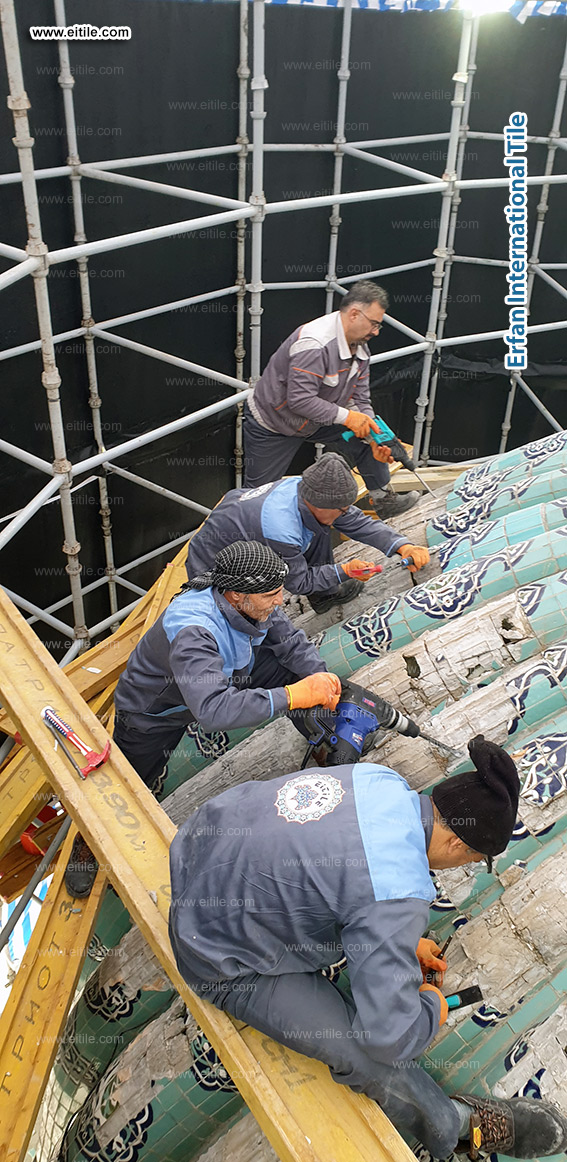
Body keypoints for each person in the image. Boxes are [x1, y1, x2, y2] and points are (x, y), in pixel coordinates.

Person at [169, 737, 567, 1161]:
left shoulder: (381, 780)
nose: (461, 867)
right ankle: (456, 1125)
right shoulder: (398, 895)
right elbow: (386, 1040)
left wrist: (398, 938)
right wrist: (431, 1008)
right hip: (214, 956)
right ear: (457, 846)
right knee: (364, 1053)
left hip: (194, 857)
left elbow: (342, 869)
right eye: (470, 860)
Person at [65, 541, 341, 899]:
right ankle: (86, 847)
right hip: (155, 710)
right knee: (126, 778)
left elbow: (290, 642)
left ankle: (327, 736)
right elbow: (213, 711)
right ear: (238, 595)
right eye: (273, 594)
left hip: (229, 672)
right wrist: (293, 696)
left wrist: (323, 683)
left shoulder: (254, 600)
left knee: (289, 671)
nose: (281, 600)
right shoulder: (194, 630)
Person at [243, 279, 420, 520]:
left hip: (319, 418)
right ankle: (247, 534)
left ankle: (383, 498)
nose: (376, 332)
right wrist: (348, 418)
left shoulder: (360, 349)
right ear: (355, 314)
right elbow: (300, 400)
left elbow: (360, 398)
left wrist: (373, 433)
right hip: (274, 422)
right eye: (374, 324)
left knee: (372, 435)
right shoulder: (314, 344)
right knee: (258, 494)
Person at [186, 452, 429, 615]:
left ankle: (324, 596)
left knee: (318, 529)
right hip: (213, 564)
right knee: (247, 616)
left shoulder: (309, 490)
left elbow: (354, 520)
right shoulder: (281, 530)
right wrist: (344, 571)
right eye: (342, 509)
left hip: (247, 532)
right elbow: (298, 581)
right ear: (322, 505)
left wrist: (402, 545)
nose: (346, 512)